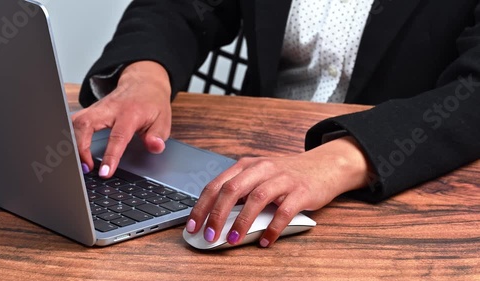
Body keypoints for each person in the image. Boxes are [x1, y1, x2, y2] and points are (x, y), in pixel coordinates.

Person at [73, 0, 480, 248]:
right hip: (249, 155)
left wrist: (339, 161)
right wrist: (145, 75)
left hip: (407, 191)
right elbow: (181, 5)